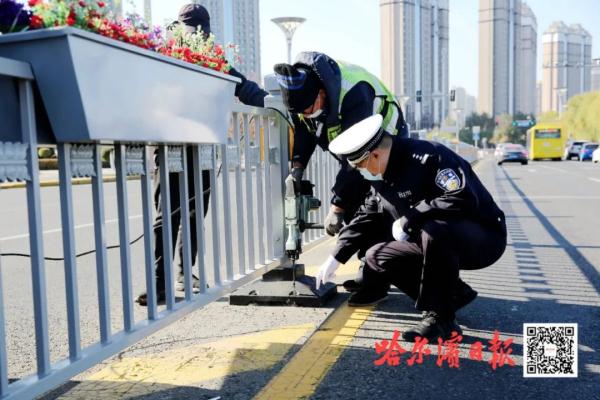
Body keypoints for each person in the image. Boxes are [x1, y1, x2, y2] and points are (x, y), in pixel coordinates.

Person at [321, 114, 507, 342]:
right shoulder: (380, 174)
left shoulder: (430, 157)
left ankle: (442, 320)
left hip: (482, 237)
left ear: (376, 155)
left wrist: (411, 217)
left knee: (433, 227)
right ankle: (453, 293)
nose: (360, 171)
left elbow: (463, 199)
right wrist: (337, 255)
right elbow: (369, 213)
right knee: (377, 256)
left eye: (360, 165)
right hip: (434, 241)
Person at [136, 3, 268, 305]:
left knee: (194, 212)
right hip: (169, 144)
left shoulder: (212, 57)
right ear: (179, 30)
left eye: (201, 35)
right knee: (168, 213)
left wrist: (270, 101)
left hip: (202, 145)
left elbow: (242, 86)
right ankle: (159, 282)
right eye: (192, 33)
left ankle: (184, 273)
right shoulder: (165, 54)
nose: (196, 39)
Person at [273, 53, 408, 237]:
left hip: (389, 143)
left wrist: (337, 206)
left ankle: (390, 256)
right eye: (300, 113)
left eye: (307, 110)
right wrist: (297, 167)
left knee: (385, 208)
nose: (305, 115)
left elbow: (356, 155)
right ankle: (371, 258)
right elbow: (305, 132)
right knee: (354, 208)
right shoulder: (304, 100)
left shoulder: (353, 92)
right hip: (360, 155)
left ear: (321, 93)